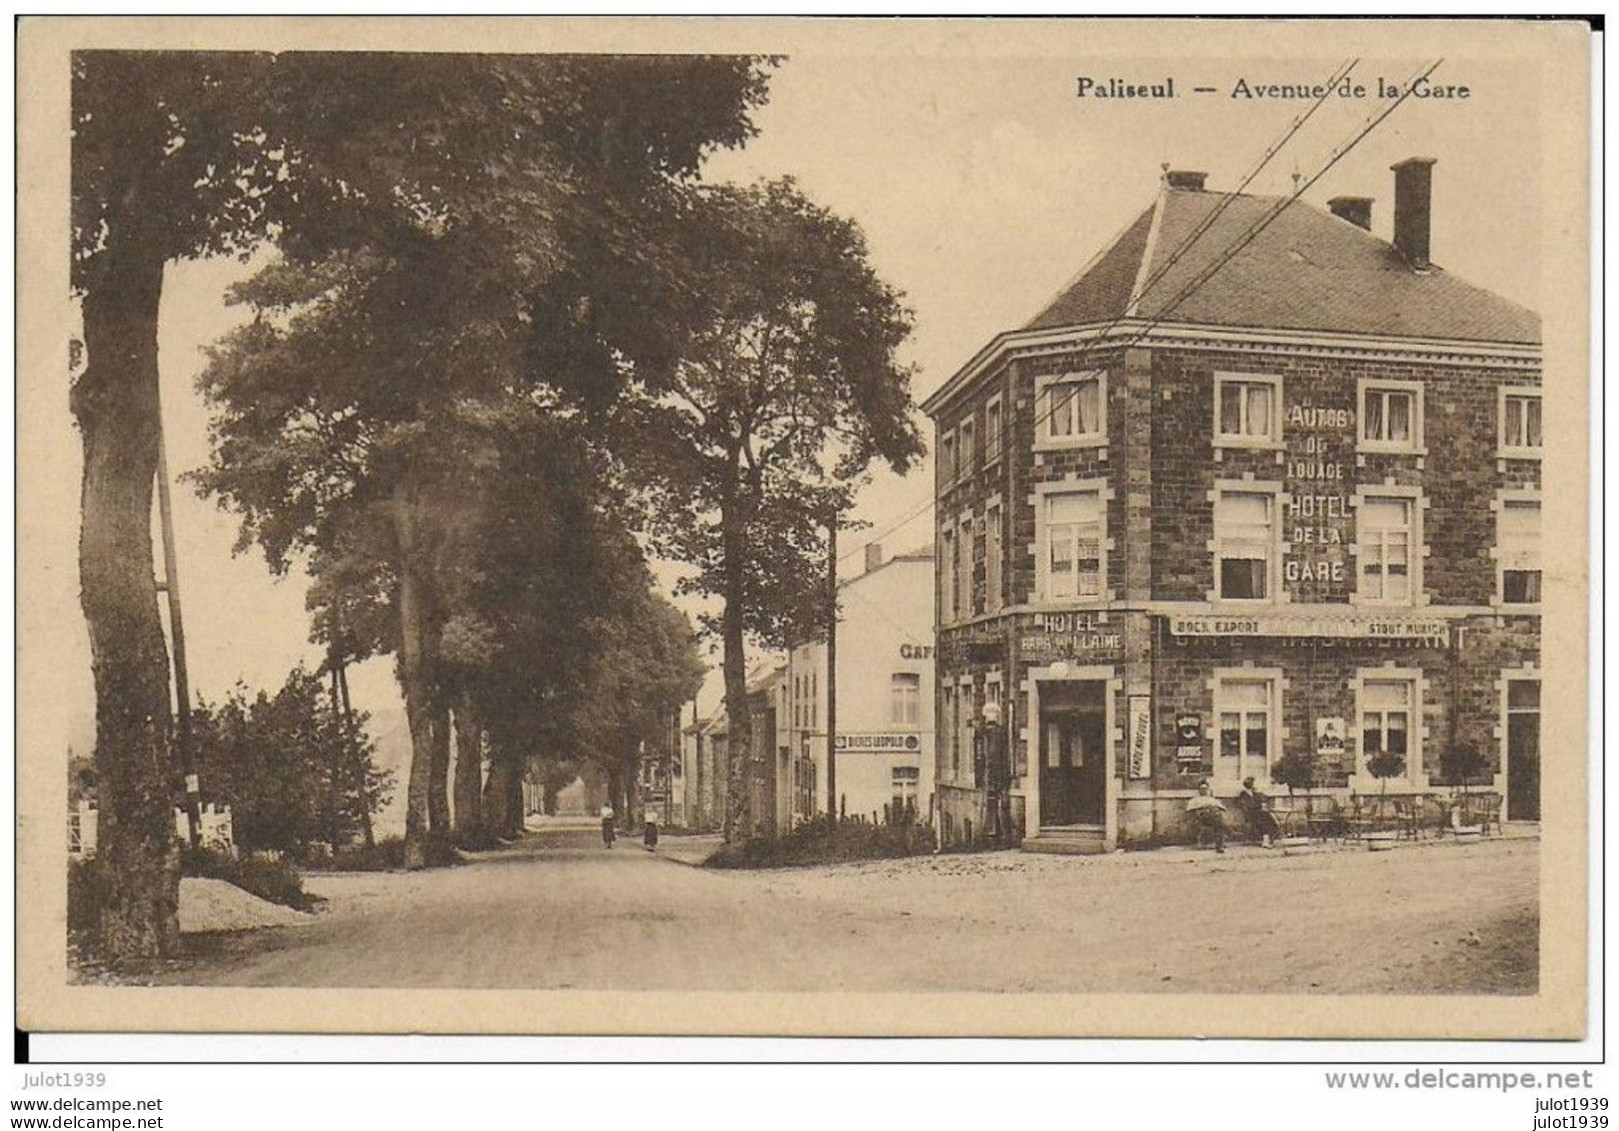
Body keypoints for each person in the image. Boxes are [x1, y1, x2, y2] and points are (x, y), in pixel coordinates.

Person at [1238, 776, 1280, 848]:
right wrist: (1258, 805)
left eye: (1252, 783)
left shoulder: (1255, 793)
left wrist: (1261, 799)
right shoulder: (1243, 794)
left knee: (1267, 818)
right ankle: (1267, 840)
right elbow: (1248, 806)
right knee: (1264, 818)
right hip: (1251, 814)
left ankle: (1270, 838)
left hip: (1260, 813)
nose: (1252, 785)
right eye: (1250, 783)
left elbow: (1264, 798)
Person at [1186, 781, 1226, 853]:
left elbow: (1223, 808)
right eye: (1202, 789)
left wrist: (1214, 806)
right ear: (1199, 790)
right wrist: (1202, 806)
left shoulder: (1212, 799)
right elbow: (1189, 809)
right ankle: (1229, 833)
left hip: (1213, 815)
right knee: (1219, 821)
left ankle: (1219, 846)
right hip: (1203, 817)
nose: (1204, 790)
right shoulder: (1195, 799)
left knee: (1218, 821)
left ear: (1208, 789)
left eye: (1205, 789)